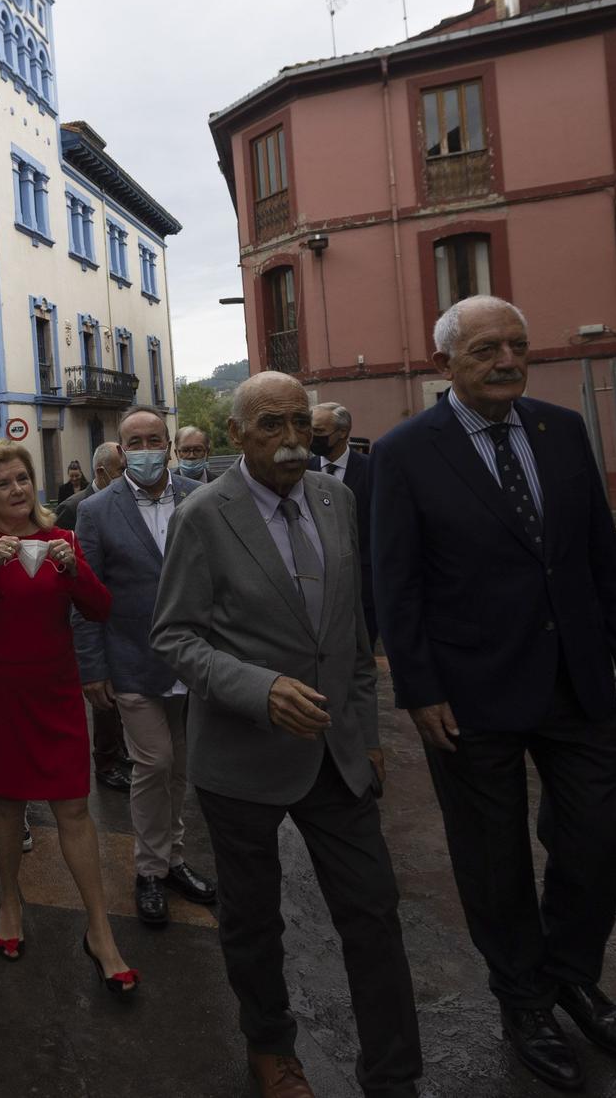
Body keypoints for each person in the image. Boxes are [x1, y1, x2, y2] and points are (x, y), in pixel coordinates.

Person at [373, 296, 616, 1092]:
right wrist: (418, 686)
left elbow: (601, 548)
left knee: (597, 835)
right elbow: (394, 582)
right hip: (468, 691)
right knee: (492, 858)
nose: (507, 360)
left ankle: (572, 974)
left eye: (518, 346)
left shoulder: (560, 430)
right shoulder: (405, 453)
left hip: (576, 679)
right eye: (487, 348)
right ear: (445, 365)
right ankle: (524, 997)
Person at [153, 371, 422, 1098]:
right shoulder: (204, 515)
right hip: (241, 757)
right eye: (272, 424)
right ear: (237, 434)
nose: (292, 438)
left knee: (372, 909)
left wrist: (366, 733)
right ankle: (270, 1046)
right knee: (252, 919)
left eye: (301, 422)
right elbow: (174, 635)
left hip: (337, 754)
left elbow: (351, 633)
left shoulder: (339, 500)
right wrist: (260, 688)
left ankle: (394, 1073)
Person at [0, 441, 134, 994]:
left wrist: (74, 573)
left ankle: (100, 930)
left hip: (55, 692)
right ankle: (8, 901)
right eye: (4, 484)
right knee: (7, 802)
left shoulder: (63, 539)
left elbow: (100, 608)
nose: (18, 490)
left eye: (23, 479)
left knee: (74, 808)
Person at [73, 407, 214, 928]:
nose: (147, 448)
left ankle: (172, 859)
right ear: (120, 449)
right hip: (131, 659)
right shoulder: (95, 511)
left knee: (178, 766)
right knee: (152, 763)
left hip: (193, 660)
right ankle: (148, 871)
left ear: (170, 444)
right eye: (136, 441)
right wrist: (92, 668)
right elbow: (85, 597)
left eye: (156, 439)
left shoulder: (200, 499)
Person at [53, 440, 128, 794]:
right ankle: (106, 760)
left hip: (115, 608)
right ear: (102, 471)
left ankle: (120, 751)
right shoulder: (72, 508)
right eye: (122, 469)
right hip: (88, 614)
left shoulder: (125, 500)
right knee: (103, 693)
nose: (127, 476)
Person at [312, 402, 377, 645]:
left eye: (319, 432)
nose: (312, 438)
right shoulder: (302, 471)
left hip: (362, 582)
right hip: (317, 582)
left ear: (343, 432)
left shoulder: (371, 470)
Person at [52, 442, 119, 531]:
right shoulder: (70, 508)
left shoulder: (124, 500)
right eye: (121, 470)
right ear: (100, 472)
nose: (125, 475)